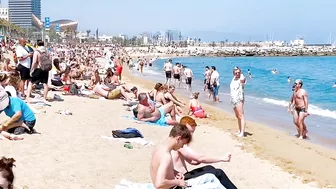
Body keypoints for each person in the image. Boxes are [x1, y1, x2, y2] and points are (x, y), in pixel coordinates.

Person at [150, 124, 225, 189]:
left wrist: (175, 172)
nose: (182, 147)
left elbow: (158, 168)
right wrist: (178, 182)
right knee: (216, 186)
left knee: (211, 177)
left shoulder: (159, 147)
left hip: (174, 186)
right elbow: (159, 184)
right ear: (178, 138)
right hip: (174, 188)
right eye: (183, 143)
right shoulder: (166, 156)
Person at [172, 116, 237, 189]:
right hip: (182, 179)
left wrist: (197, 161)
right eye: (190, 131)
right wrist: (222, 159)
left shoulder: (179, 142)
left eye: (193, 132)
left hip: (185, 175)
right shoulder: (179, 144)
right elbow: (200, 158)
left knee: (210, 167)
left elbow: (192, 161)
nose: (191, 135)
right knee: (219, 173)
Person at [230, 67, 246, 137]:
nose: (237, 74)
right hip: (233, 99)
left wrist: (241, 74)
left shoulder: (241, 78)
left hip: (239, 99)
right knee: (237, 116)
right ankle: (239, 130)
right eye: (236, 72)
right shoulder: (233, 78)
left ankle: (242, 132)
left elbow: (243, 80)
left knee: (241, 116)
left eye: (238, 72)